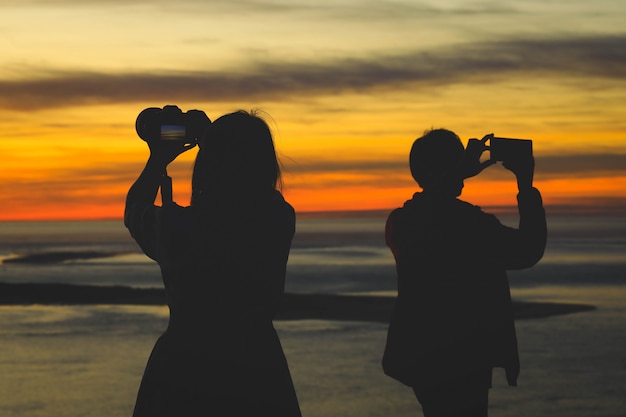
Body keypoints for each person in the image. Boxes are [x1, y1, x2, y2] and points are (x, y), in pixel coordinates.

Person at [125, 109, 302, 417]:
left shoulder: (178, 226)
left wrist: (159, 158)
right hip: (258, 366)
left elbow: (135, 210)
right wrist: (214, 141)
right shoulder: (277, 219)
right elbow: (251, 194)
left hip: (184, 369)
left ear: (208, 166)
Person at [382, 129, 547, 417]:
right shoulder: (465, 223)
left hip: (426, 358)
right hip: (463, 359)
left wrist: (454, 173)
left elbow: (432, 210)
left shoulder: (402, 221)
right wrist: (525, 184)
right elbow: (527, 250)